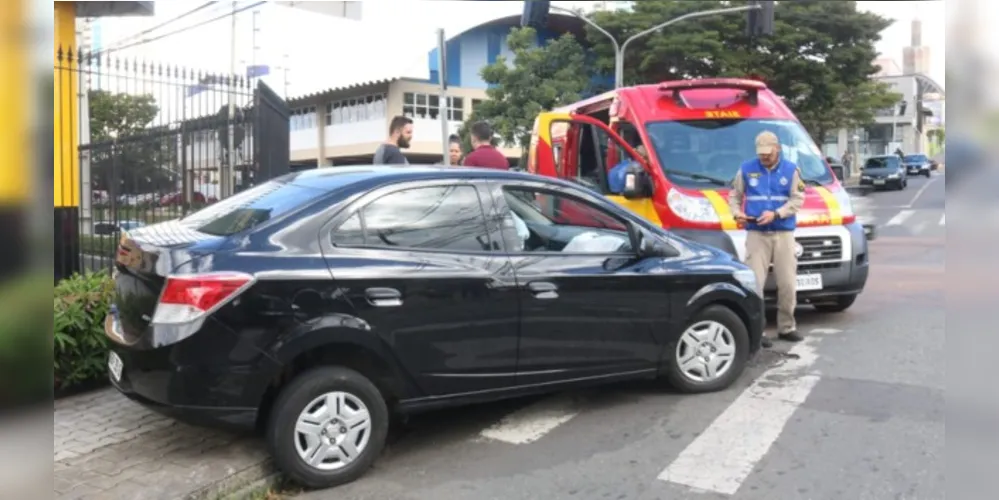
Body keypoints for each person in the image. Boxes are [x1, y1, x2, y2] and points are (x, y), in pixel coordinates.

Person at [728, 131, 805, 348]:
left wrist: (777, 213)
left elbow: (798, 199)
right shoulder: (746, 168)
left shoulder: (791, 170)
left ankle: (787, 327)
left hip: (783, 233)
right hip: (756, 234)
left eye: (768, 154)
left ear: (777, 149)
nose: (764, 158)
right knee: (755, 284)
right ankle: (757, 331)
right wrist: (737, 213)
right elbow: (734, 195)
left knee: (788, 283)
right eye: (761, 154)